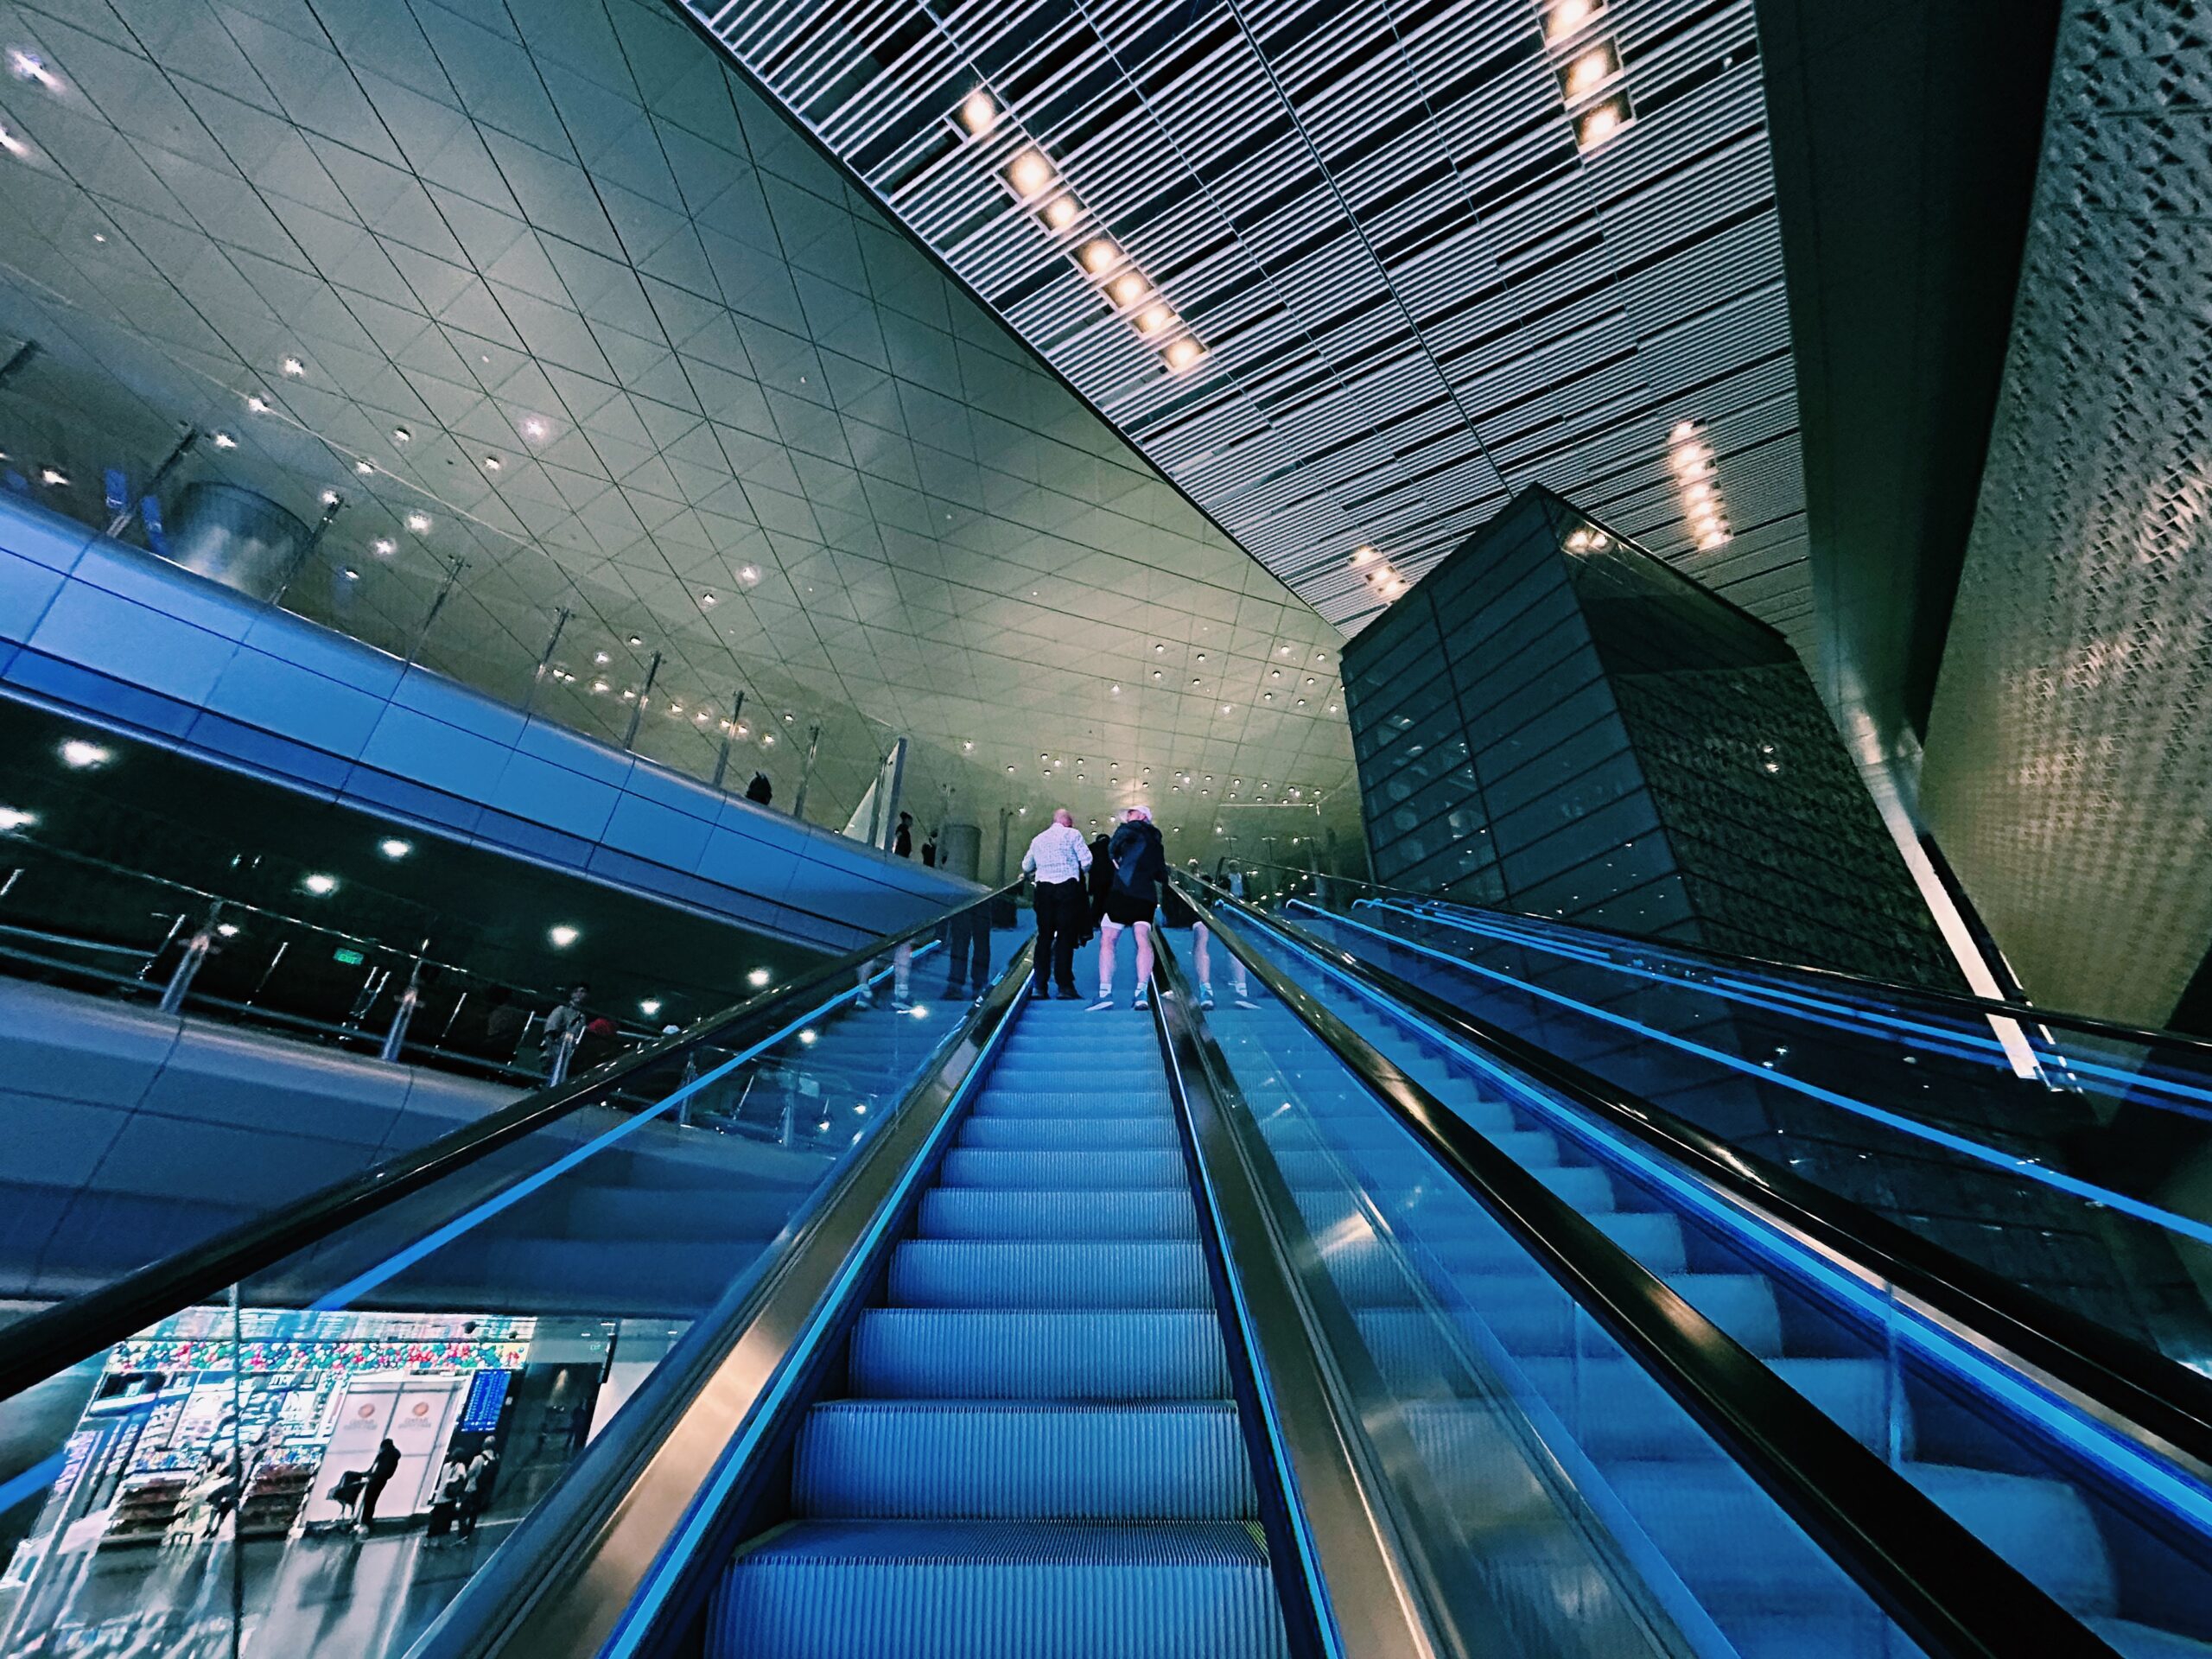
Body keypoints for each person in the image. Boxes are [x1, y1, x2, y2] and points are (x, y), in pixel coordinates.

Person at [1093, 805, 1166, 1011]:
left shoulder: (1130, 829)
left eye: (1131, 813)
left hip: (1123, 892)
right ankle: (1141, 993)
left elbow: (1113, 846)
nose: (1127, 817)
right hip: (1146, 895)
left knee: (1108, 939)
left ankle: (1105, 993)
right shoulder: (1157, 840)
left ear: (1142, 816)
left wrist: (1114, 858)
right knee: (1143, 938)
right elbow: (1162, 874)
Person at [1020, 808, 1091, 999]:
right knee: (1065, 937)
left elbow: (1026, 866)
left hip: (1043, 891)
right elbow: (1087, 861)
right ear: (1067, 821)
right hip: (1067, 889)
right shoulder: (1072, 834)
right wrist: (1076, 870)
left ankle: (1039, 986)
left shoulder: (1038, 839)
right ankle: (1064, 986)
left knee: (1044, 937)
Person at [1158, 869, 1250, 1011]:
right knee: (1213, 940)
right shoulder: (1200, 882)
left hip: (1208, 912)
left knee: (1217, 941)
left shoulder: (1201, 880)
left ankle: (1212, 991)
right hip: (1206, 912)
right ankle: (1233, 991)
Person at [540, 983, 589, 1077]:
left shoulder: (583, 1017)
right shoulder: (561, 1010)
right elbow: (550, 1031)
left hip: (569, 1055)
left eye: (583, 992)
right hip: (556, 1051)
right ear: (571, 994)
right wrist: (551, 1052)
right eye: (576, 991)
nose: (579, 994)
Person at [355, 1437, 401, 1535]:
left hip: (376, 1480)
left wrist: (370, 1475)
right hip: (379, 1480)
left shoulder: (387, 1455)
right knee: (371, 1501)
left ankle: (365, 1522)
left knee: (369, 1501)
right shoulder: (389, 1455)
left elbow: (379, 1469)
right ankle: (366, 1521)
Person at [457, 1446, 498, 1541]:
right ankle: (469, 1534)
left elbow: (470, 1473)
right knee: (474, 1514)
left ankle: (462, 1534)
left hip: (472, 1488)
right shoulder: (495, 1458)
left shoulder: (478, 1458)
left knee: (463, 1512)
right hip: (482, 1490)